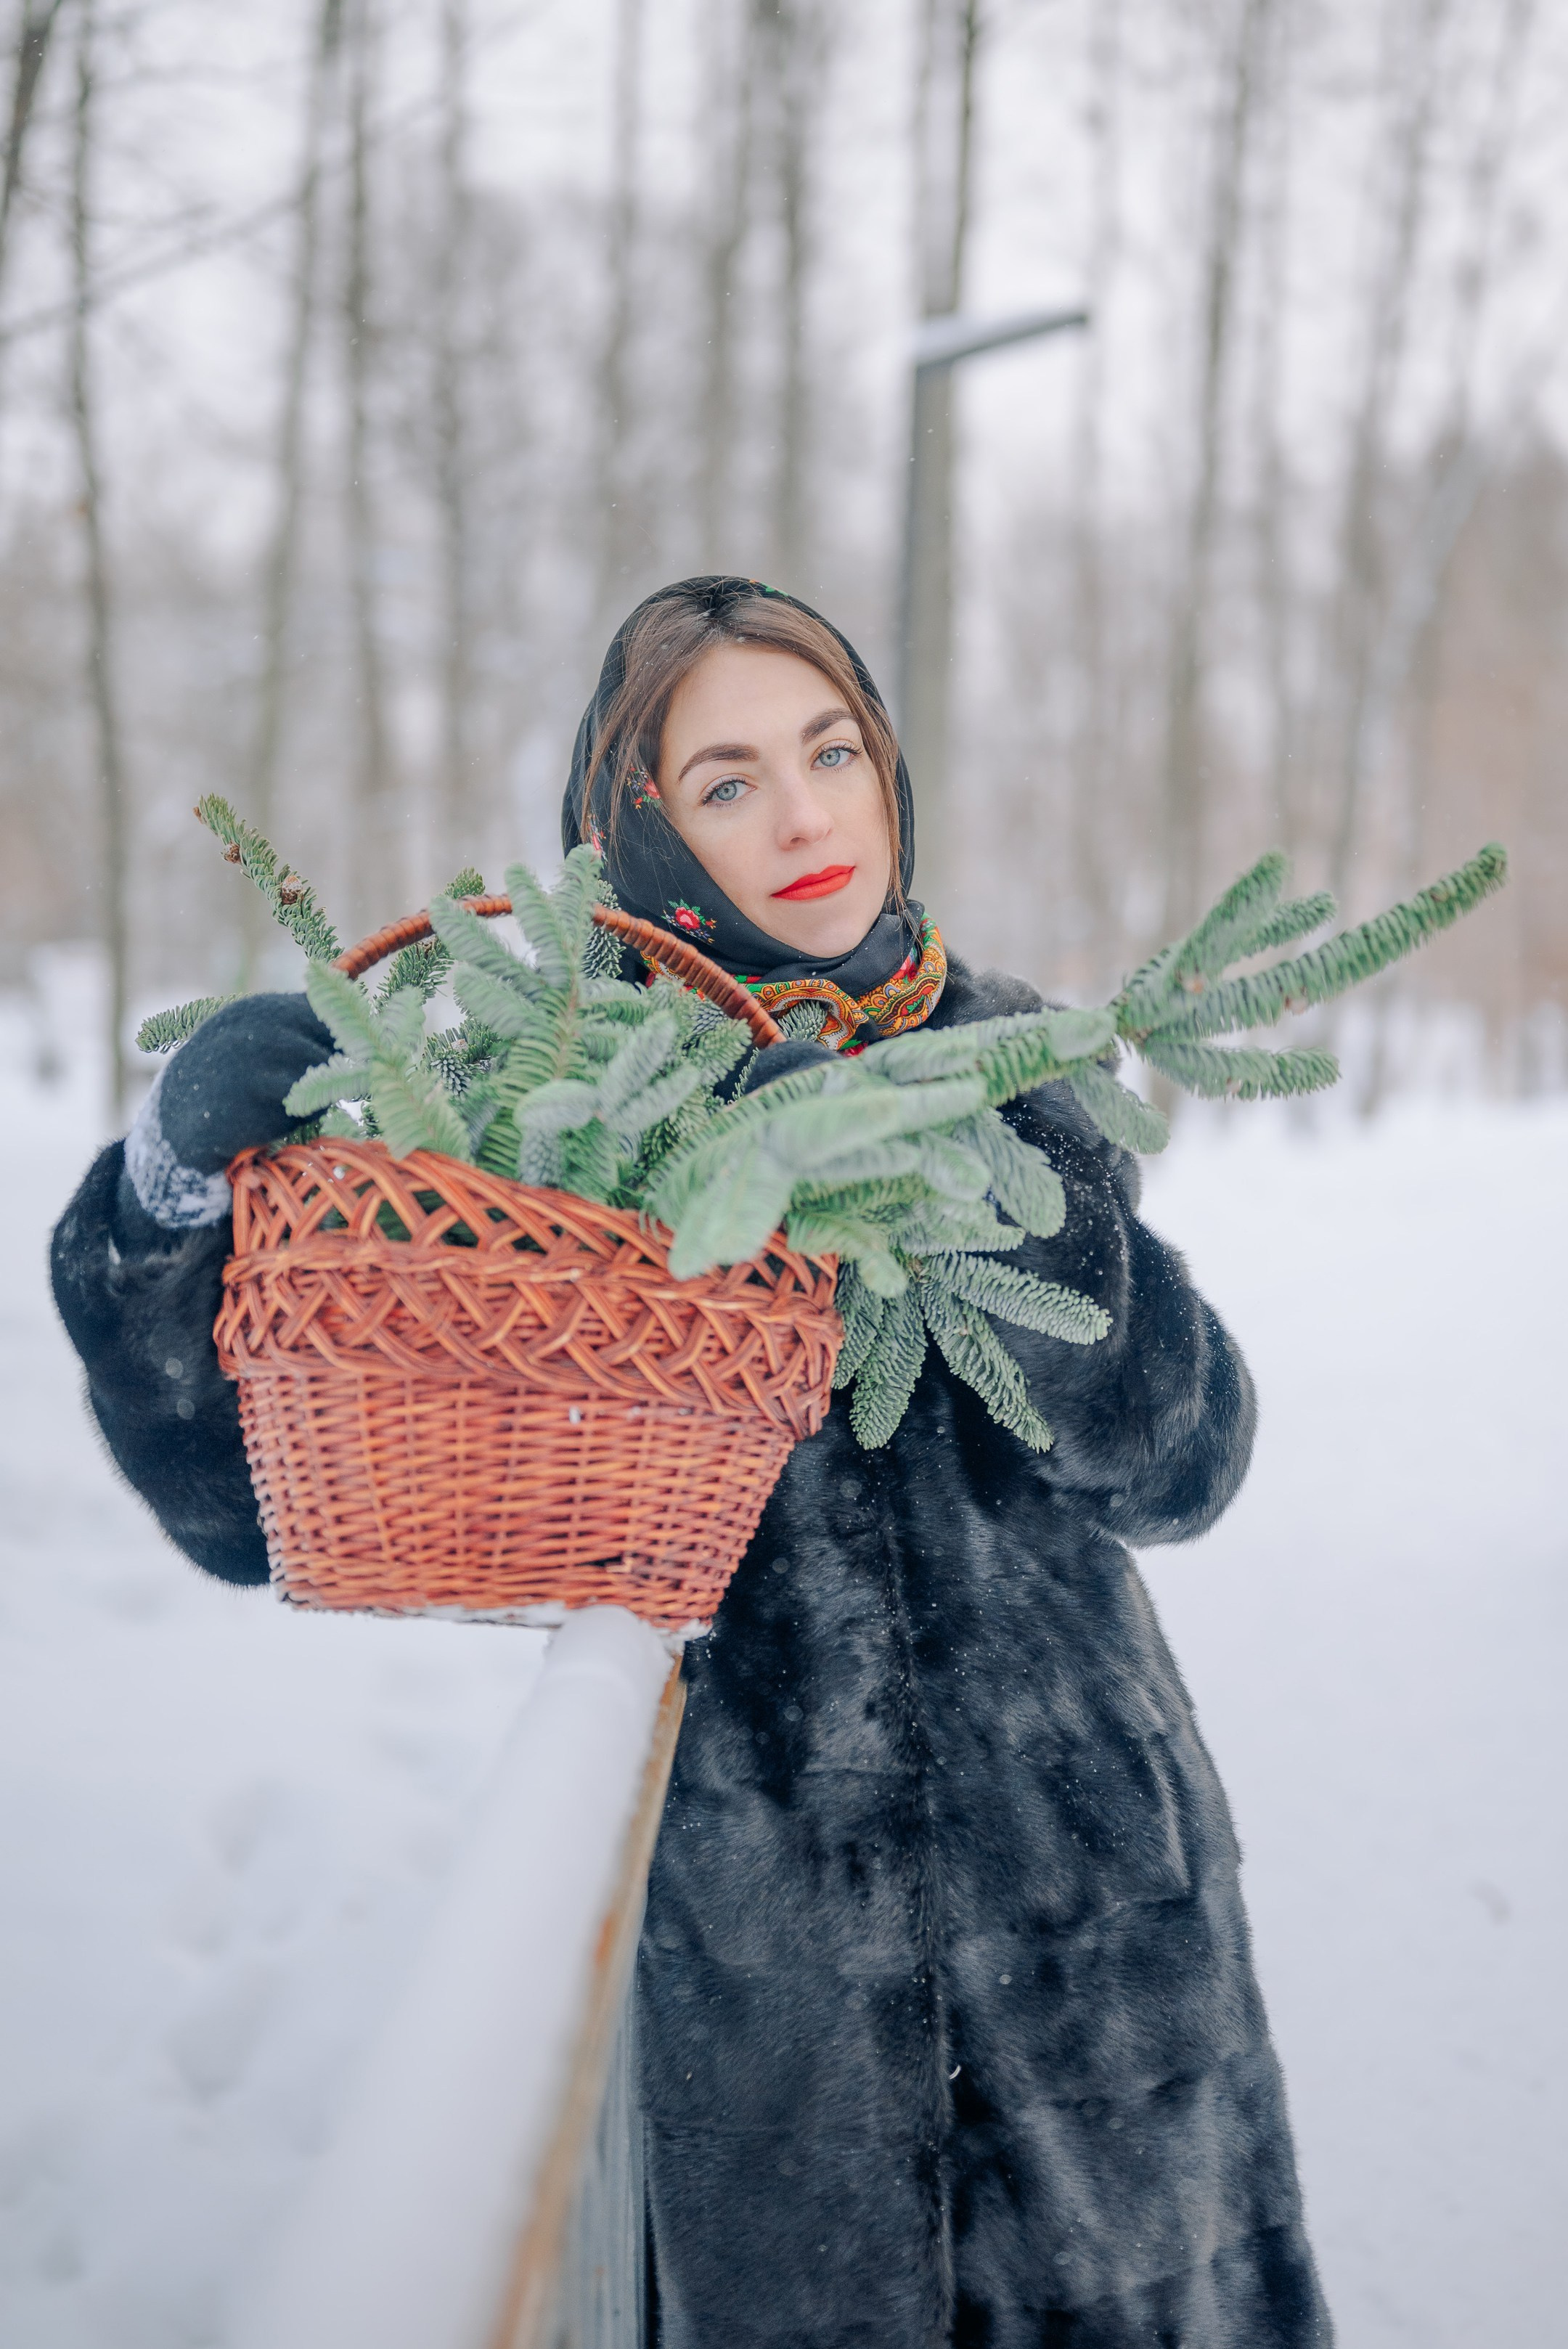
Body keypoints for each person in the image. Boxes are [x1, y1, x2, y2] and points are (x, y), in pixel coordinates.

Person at [51, 576, 1331, 2347]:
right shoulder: (567, 1130)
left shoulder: (1001, 1068)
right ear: (631, 836)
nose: (806, 815)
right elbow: (249, 1501)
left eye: (831, 753)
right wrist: (169, 1202)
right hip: (777, 2013)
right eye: (725, 781)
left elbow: (1191, 1463)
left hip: (1107, 1967)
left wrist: (1003, 1210)